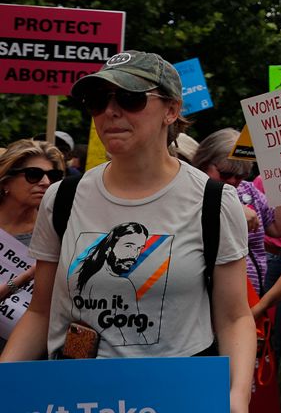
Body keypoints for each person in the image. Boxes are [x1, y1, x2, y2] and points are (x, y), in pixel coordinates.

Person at [0, 51, 254, 413]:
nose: (111, 111)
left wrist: (237, 396)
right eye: (98, 101)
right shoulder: (64, 197)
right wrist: (5, 383)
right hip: (77, 395)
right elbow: (40, 312)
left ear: (171, 110)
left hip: (175, 395)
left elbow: (234, 317)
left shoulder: (214, 202)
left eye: (131, 98)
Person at [192, 128, 281, 296]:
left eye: (240, 176)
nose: (233, 181)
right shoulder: (190, 188)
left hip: (253, 295)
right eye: (225, 174)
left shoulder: (249, 190)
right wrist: (232, 209)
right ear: (204, 162)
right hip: (209, 296)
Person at [0, 140, 66, 352]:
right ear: (6, 182)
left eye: (54, 176)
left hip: (27, 354)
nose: (46, 182)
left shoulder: (59, 233)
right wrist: (27, 276)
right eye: (33, 174)